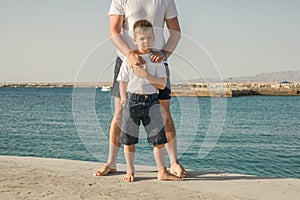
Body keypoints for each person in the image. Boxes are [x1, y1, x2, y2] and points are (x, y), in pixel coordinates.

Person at [94, 0, 188, 178]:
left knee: (164, 112)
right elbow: (114, 30)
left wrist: (164, 53)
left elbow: (175, 32)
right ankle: (111, 162)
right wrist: (129, 54)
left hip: (157, 62)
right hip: (126, 62)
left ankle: (173, 162)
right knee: (120, 113)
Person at [118, 19, 182, 182]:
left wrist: (146, 75)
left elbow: (161, 84)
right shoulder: (129, 59)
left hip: (152, 102)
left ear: (153, 38)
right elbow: (122, 80)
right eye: (141, 38)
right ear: (135, 40)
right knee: (129, 139)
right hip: (132, 100)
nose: (145, 41)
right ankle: (130, 170)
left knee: (158, 139)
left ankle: (162, 171)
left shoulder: (157, 59)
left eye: (148, 38)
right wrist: (124, 97)